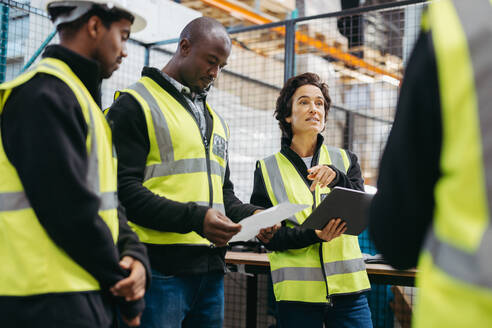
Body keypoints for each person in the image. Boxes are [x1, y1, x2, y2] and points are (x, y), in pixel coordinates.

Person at [0, 1, 150, 327]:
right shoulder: (43, 96)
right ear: (95, 26)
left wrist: (135, 256)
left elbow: (108, 203)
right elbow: (69, 209)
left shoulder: (80, 100)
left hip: (78, 294)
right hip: (42, 302)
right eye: (123, 36)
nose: (124, 51)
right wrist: (125, 291)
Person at [106, 16, 263, 327]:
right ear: (184, 47)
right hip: (158, 270)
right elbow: (122, 191)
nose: (215, 72)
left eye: (222, 66)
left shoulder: (215, 121)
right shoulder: (136, 104)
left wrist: (254, 217)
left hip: (211, 272)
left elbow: (223, 194)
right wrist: (195, 218)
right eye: (211, 61)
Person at [368, 0, 492, 327]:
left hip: (468, 310)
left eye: (320, 102)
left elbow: (397, 236)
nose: (315, 110)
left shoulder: (458, 21)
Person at [251, 72, 372, 328]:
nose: (314, 109)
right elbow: (271, 238)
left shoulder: (346, 160)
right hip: (298, 299)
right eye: (304, 102)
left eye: (319, 103)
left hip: (349, 293)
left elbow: (361, 210)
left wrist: (338, 178)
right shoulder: (267, 168)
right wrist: (314, 235)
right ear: (287, 114)